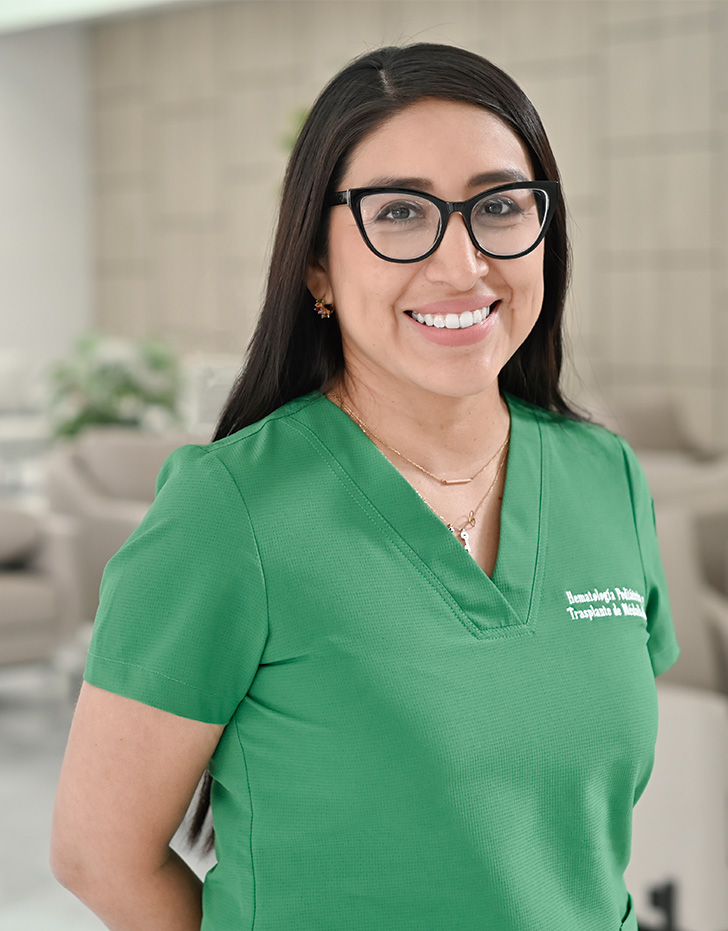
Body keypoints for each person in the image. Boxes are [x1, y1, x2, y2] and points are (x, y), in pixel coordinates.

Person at [50, 43, 680, 931]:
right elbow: (98, 852)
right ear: (315, 266)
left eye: (498, 206)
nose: (461, 264)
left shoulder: (603, 475)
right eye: (399, 212)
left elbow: (562, 821)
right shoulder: (231, 513)